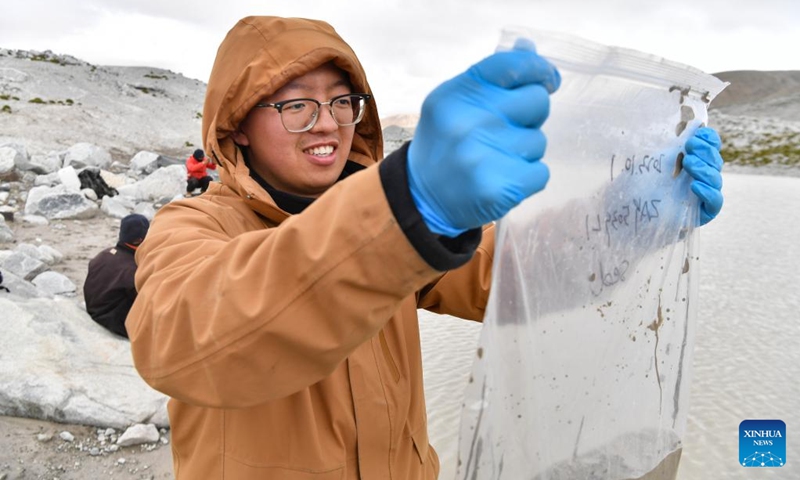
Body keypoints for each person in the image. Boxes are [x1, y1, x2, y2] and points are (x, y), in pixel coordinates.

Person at [126, 16, 725, 480]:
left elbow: (515, 271)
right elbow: (188, 341)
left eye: (341, 100)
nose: (328, 123)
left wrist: (634, 213)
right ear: (235, 126)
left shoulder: (395, 229)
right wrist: (406, 205)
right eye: (295, 104)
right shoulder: (193, 227)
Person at [84, 213, 149, 338]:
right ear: (140, 240)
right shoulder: (133, 270)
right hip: (113, 322)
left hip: (93, 310)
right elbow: (147, 302)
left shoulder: (103, 255)